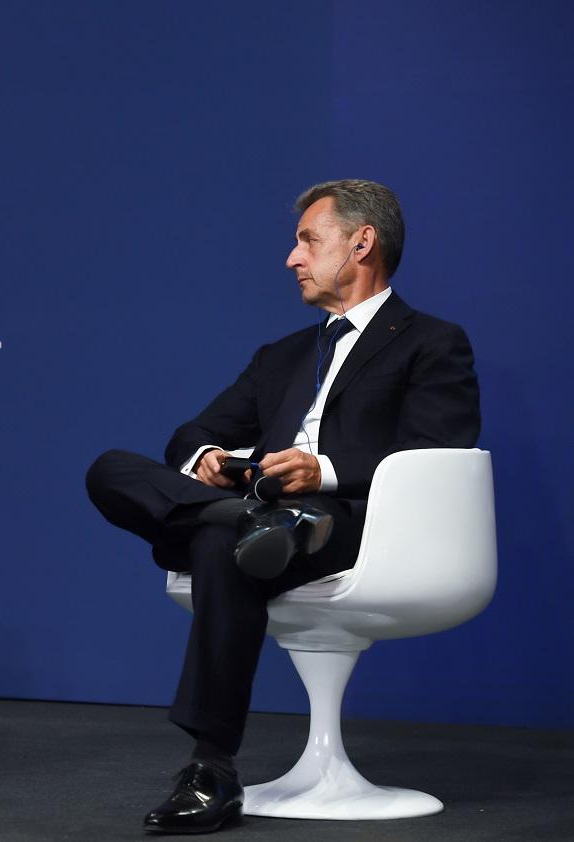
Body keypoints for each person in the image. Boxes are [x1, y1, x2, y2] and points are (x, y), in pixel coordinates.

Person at [85, 180, 479, 834]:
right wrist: (210, 458)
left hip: (349, 524)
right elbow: (192, 431)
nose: (291, 259)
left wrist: (320, 471)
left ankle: (211, 769)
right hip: (260, 515)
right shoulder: (282, 356)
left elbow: (439, 446)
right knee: (111, 469)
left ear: (362, 243)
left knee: (221, 548)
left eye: (307, 241)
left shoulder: (432, 342)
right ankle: (240, 520)